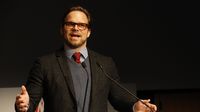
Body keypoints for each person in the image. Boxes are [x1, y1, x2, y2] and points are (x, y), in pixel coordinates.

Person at [15, 5, 157, 112]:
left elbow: (118, 97)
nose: (76, 28)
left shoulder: (105, 63)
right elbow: (31, 99)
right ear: (62, 29)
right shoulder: (44, 64)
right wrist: (24, 104)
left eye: (81, 25)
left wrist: (134, 105)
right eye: (70, 24)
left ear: (88, 32)